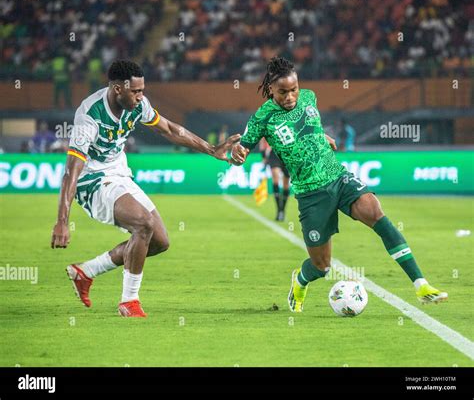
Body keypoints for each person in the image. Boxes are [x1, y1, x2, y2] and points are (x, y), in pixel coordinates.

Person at [231, 57, 447, 312]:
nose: (290, 96)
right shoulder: (263, 117)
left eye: (294, 90)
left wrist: (322, 136)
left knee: (375, 212)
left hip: (338, 176)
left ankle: (421, 285)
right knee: (322, 267)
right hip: (311, 194)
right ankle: (300, 280)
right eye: (283, 92)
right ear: (270, 90)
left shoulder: (310, 97)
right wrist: (239, 152)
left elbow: (309, 126)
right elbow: (244, 145)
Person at [51, 60, 240, 317]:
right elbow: (70, 172)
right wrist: (62, 220)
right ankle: (129, 302)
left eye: (142, 90)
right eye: (136, 91)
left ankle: (86, 272)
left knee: (160, 241)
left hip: (119, 174)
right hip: (91, 181)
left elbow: (170, 129)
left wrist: (211, 149)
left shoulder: (138, 105)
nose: (141, 97)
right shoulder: (90, 116)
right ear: (118, 88)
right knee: (143, 224)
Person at [259, 138, 290, 221]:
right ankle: (279, 209)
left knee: (286, 184)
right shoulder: (271, 125)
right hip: (274, 154)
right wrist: (263, 154)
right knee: (275, 179)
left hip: (287, 154)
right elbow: (263, 139)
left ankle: (282, 209)